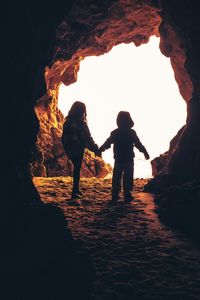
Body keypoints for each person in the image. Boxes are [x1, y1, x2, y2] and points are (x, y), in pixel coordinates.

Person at [99, 111, 150, 203]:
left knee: (117, 177)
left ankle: (115, 194)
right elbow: (138, 144)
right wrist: (145, 152)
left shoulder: (115, 132)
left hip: (118, 158)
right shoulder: (131, 132)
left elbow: (108, 142)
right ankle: (127, 194)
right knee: (128, 177)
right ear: (129, 120)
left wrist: (100, 150)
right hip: (129, 158)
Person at [62, 101, 100, 201]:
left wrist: (93, 147)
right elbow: (85, 138)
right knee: (77, 169)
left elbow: (67, 138)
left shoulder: (69, 122)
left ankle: (76, 189)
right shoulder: (79, 123)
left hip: (72, 148)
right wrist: (94, 148)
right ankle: (75, 191)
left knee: (77, 169)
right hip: (76, 148)